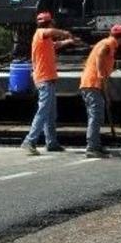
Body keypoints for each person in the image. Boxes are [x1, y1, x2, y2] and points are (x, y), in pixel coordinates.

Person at [21, 12, 75, 156]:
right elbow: (50, 32)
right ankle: (29, 141)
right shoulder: (41, 33)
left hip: (47, 79)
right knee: (43, 112)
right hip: (44, 79)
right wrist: (65, 33)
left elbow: (55, 45)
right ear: (49, 23)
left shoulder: (45, 39)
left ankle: (51, 143)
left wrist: (68, 41)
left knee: (51, 114)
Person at [79, 24, 121, 158]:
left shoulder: (107, 43)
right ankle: (92, 147)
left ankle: (96, 145)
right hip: (92, 83)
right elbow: (100, 55)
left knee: (97, 116)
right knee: (96, 116)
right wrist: (101, 74)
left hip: (93, 84)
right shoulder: (108, 44)